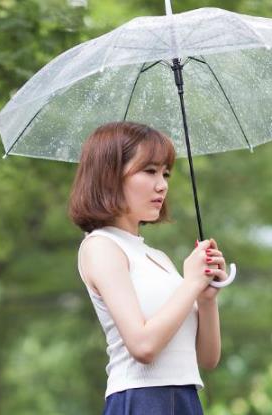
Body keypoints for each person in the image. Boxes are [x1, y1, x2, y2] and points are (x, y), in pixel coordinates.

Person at [69, 122, 226, 414]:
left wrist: (206, 299)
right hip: (142, 398)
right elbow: (143, 346)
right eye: (150, 171)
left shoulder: (159, 258)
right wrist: (190, 283)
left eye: (165, 173)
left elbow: (207, 359)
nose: (162, 185)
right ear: (110, 176)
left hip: (186, 399)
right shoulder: (101, 246)